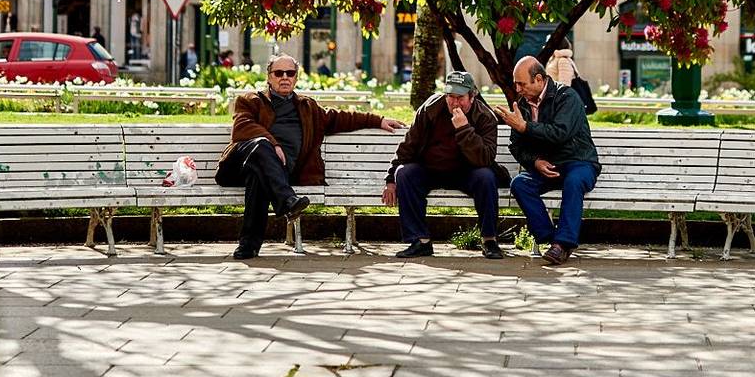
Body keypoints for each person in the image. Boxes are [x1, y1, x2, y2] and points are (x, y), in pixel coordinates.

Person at [216, 54, 406, 259]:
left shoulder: (307, 108)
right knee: (261, 149)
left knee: (260, 177)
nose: (285, 77)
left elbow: (340, 118)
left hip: (277, 173)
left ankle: (249, 246)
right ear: (269, 77)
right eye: (279, 73)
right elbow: (242, 128)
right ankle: (288, 201)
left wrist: (378, 120)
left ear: (296, 78)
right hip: (238, 166)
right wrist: (273, 144)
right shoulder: (250, 101)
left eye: (290, 73)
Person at [489, 52, 600, 266]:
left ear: (539, 79)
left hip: (579, 161)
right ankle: (552, 241)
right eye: (516, 84)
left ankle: (563, 244)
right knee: (520, 183)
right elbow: (516, 145)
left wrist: (524, 126)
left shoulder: (567, 97)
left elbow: (560, 133)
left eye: (522, 84)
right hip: (549, 166)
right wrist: (534, 162)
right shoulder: (522, 105)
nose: (518, 89)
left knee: (574, 181)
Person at [383, 70, 506, 258]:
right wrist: (391, 179)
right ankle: (420, 241)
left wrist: (464, 128)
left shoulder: (484, 117)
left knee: (486, 176)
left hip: (467, 171)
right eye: (450, 96)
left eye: (460, 97)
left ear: (472, 96)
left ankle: (489, 240)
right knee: (404, 173)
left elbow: (485, 159)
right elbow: (409, 145)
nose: (454, 102)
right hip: (431, 169)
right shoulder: (430, 108)